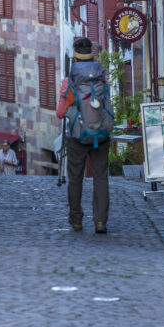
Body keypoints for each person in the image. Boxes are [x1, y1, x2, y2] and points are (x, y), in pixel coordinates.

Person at [56, 37, 112, 234]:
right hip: (101, 135)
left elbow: (60, 113)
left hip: (77, 136)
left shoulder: (68, 82)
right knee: (101, 178)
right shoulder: (101, 79)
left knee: (76, 179)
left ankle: (77, 219)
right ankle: (101, 222)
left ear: (75, 58)